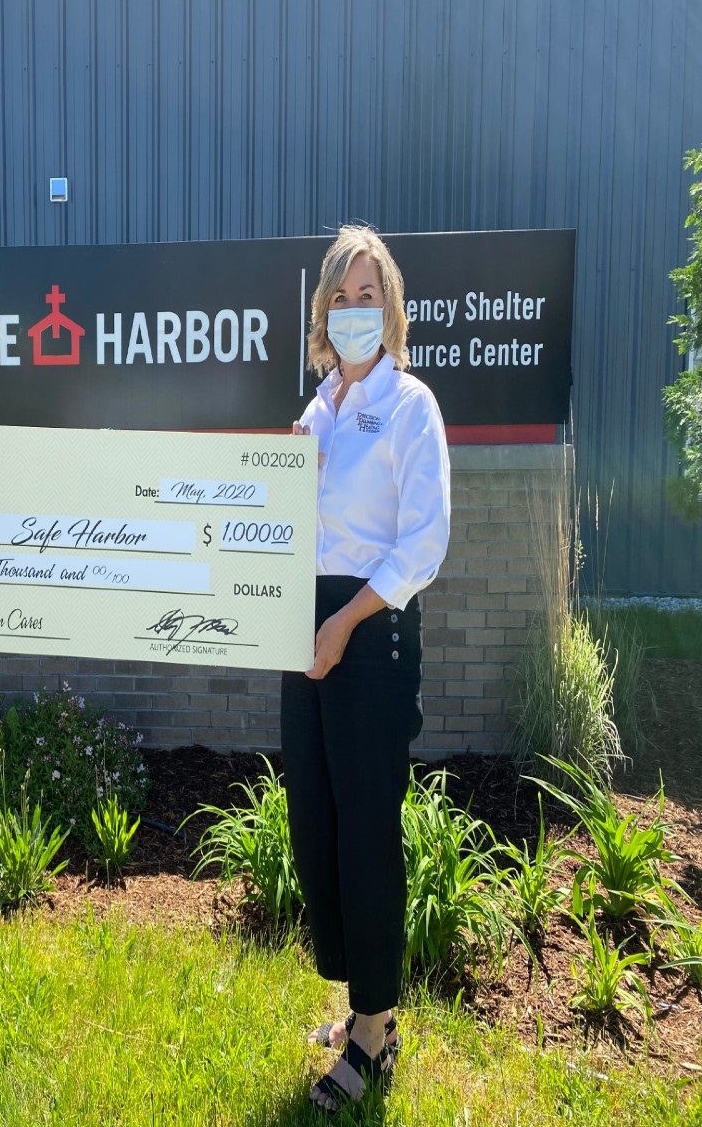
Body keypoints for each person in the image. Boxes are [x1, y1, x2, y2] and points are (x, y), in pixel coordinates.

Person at [281, 225, 450, 1111]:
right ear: (324, 310)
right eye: (340, 297)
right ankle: (360, 1005)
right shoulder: (316, 410)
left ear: (391, 308)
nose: (353, 309)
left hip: (369, 633)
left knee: (367, 832)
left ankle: (376, 1036)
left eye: (367, 295)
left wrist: (345, 623)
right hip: (304, 629)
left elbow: (424, 543)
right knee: (317, 820)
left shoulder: (411, 406)